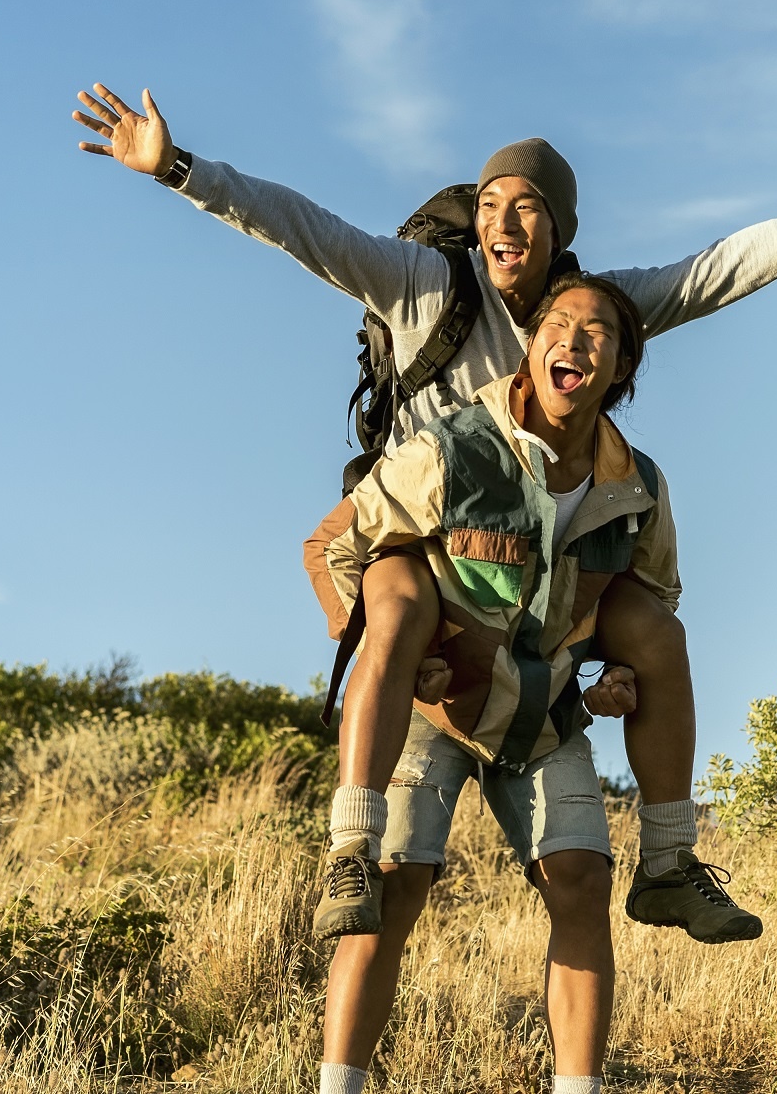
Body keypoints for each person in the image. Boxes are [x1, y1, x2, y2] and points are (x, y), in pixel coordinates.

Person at [69, 84, 777, 946]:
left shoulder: (591, 316)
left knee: (654, 627)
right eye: (491, 201)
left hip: (544, 573)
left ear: (560, 231)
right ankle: (350, 848)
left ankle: (670, 860)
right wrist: (178, 167)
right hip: (429, 553)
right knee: (399, 629)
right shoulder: (423, 281)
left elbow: (714, 273)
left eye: (528, 205)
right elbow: (303, 229)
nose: (503, 220)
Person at [315, 272, 666, 1093]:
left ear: (621, 370)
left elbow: (652, 600)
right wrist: (395, 647)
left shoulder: (637, 483)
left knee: (581, 881)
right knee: (389, 889)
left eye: (599, 332)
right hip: (435, 707)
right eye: (560, 323)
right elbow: (336, 544)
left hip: (542, 714)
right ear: (531, 343)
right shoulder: (454, 445)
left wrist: (616, 673)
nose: (575, 340)